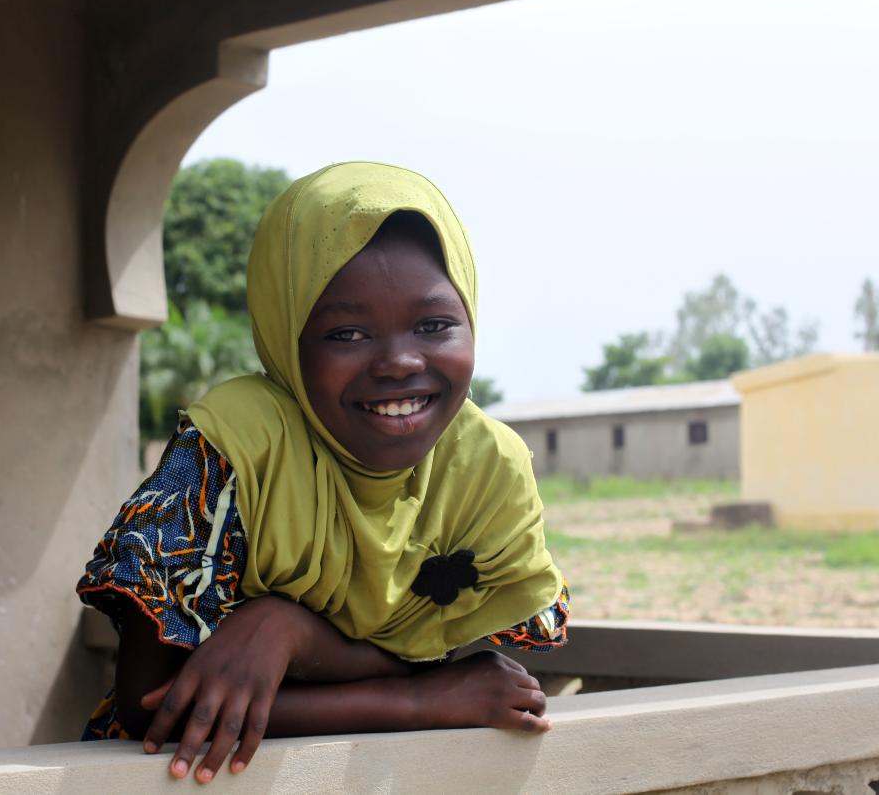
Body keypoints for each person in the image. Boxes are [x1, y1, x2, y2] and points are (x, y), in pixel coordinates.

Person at [76, 162, 570, 784]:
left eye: (434, 324)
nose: (398, 362)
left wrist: (293, 636)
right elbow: (156, 706)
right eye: (346, 333)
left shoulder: (486, 468)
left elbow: (477, 679)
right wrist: (413, 700)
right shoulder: (234, 448)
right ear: (287, 336)